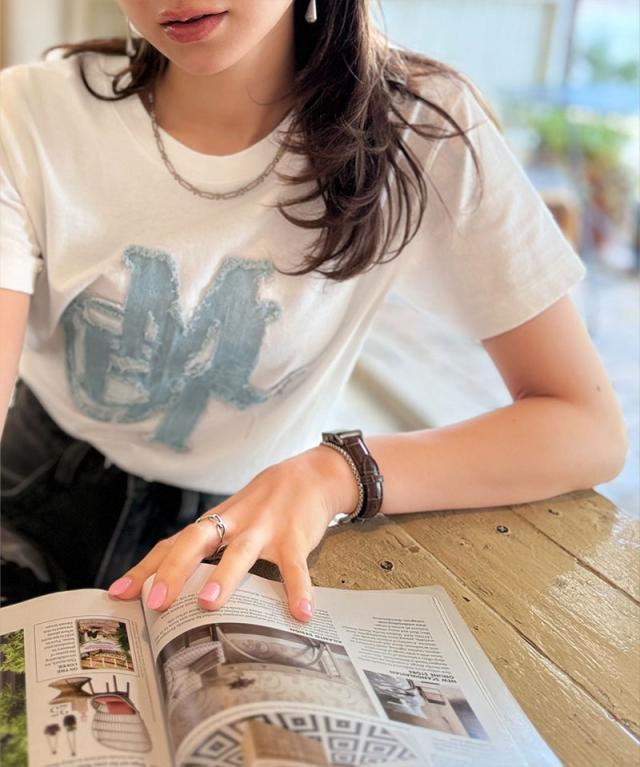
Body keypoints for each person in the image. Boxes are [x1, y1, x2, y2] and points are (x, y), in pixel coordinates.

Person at [0, 0, 627, 621]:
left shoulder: (420, 128)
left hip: (262, 516)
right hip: (36, 483)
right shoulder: (30, 113)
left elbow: (586, 427)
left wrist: (338, 473)